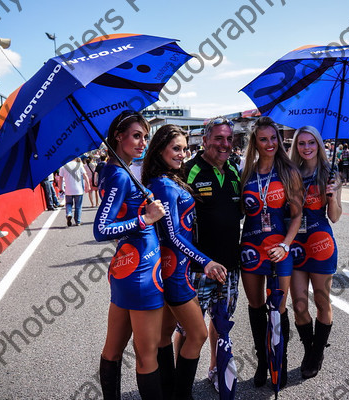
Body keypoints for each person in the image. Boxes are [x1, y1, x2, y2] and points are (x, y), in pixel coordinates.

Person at [142, 124, 226, 400]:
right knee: (198, 334)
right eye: (176, 148)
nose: (182, 153)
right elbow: (173, 236)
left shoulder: (167, 179)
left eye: (184, 148)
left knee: (166, 333)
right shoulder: (163, 185)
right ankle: (181, 394)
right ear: (160, 150)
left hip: (174, 268)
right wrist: (207, 262)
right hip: (174, 271)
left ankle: (169, 391)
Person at [93, 111, 166, 400]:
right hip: (141, 274)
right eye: (137, 136)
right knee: (147, 355)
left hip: (127, 268)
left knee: (113, 349)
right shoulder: (119, 176)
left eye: (145, 137)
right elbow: (101, 229)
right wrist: (145, 220)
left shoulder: (117, 171)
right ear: (118, 138)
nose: (142, 143)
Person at [240, 116, 302, 388]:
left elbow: (297, 216)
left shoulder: (289, 171)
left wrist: (286, 245)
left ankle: (280, 360)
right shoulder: (246, 172)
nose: (269, 144)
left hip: (280, 250)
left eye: (273, 138)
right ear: (255, 142)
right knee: (255, 308)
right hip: (251, 249)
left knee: (278, 308)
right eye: (263, 139)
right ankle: (262, 362)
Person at [182, 116, 242, 391]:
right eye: (219, 138)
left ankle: (216, 369)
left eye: (229, 139)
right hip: (198, 268)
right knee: (189, 330)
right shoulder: (188, 171)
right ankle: (181, 379)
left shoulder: (234, 170)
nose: (225, 144)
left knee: (221, 321)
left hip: (229, 264)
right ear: (205, 140)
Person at [289, 126, 342, 379]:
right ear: (296, 146)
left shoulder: (330, 172)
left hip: (321, 243)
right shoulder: (290, 172)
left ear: (318, 145)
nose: (306, 147)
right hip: (296, 245)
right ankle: (310, 349)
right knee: (299, 306)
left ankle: (316, 353)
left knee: (322, 302)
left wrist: (332, 196)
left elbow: (335, 216)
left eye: (311, 142)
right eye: (301, 143)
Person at [60, 157, 90, 226]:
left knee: (68, 204)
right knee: (78, 206)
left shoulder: (63, 166)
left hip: (68, 190)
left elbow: (60, 178)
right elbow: (85, 175)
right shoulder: (79, 165)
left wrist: (60, 188)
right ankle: (78, 221)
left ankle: (69, 213)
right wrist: (88, 185)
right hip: (78, 190)